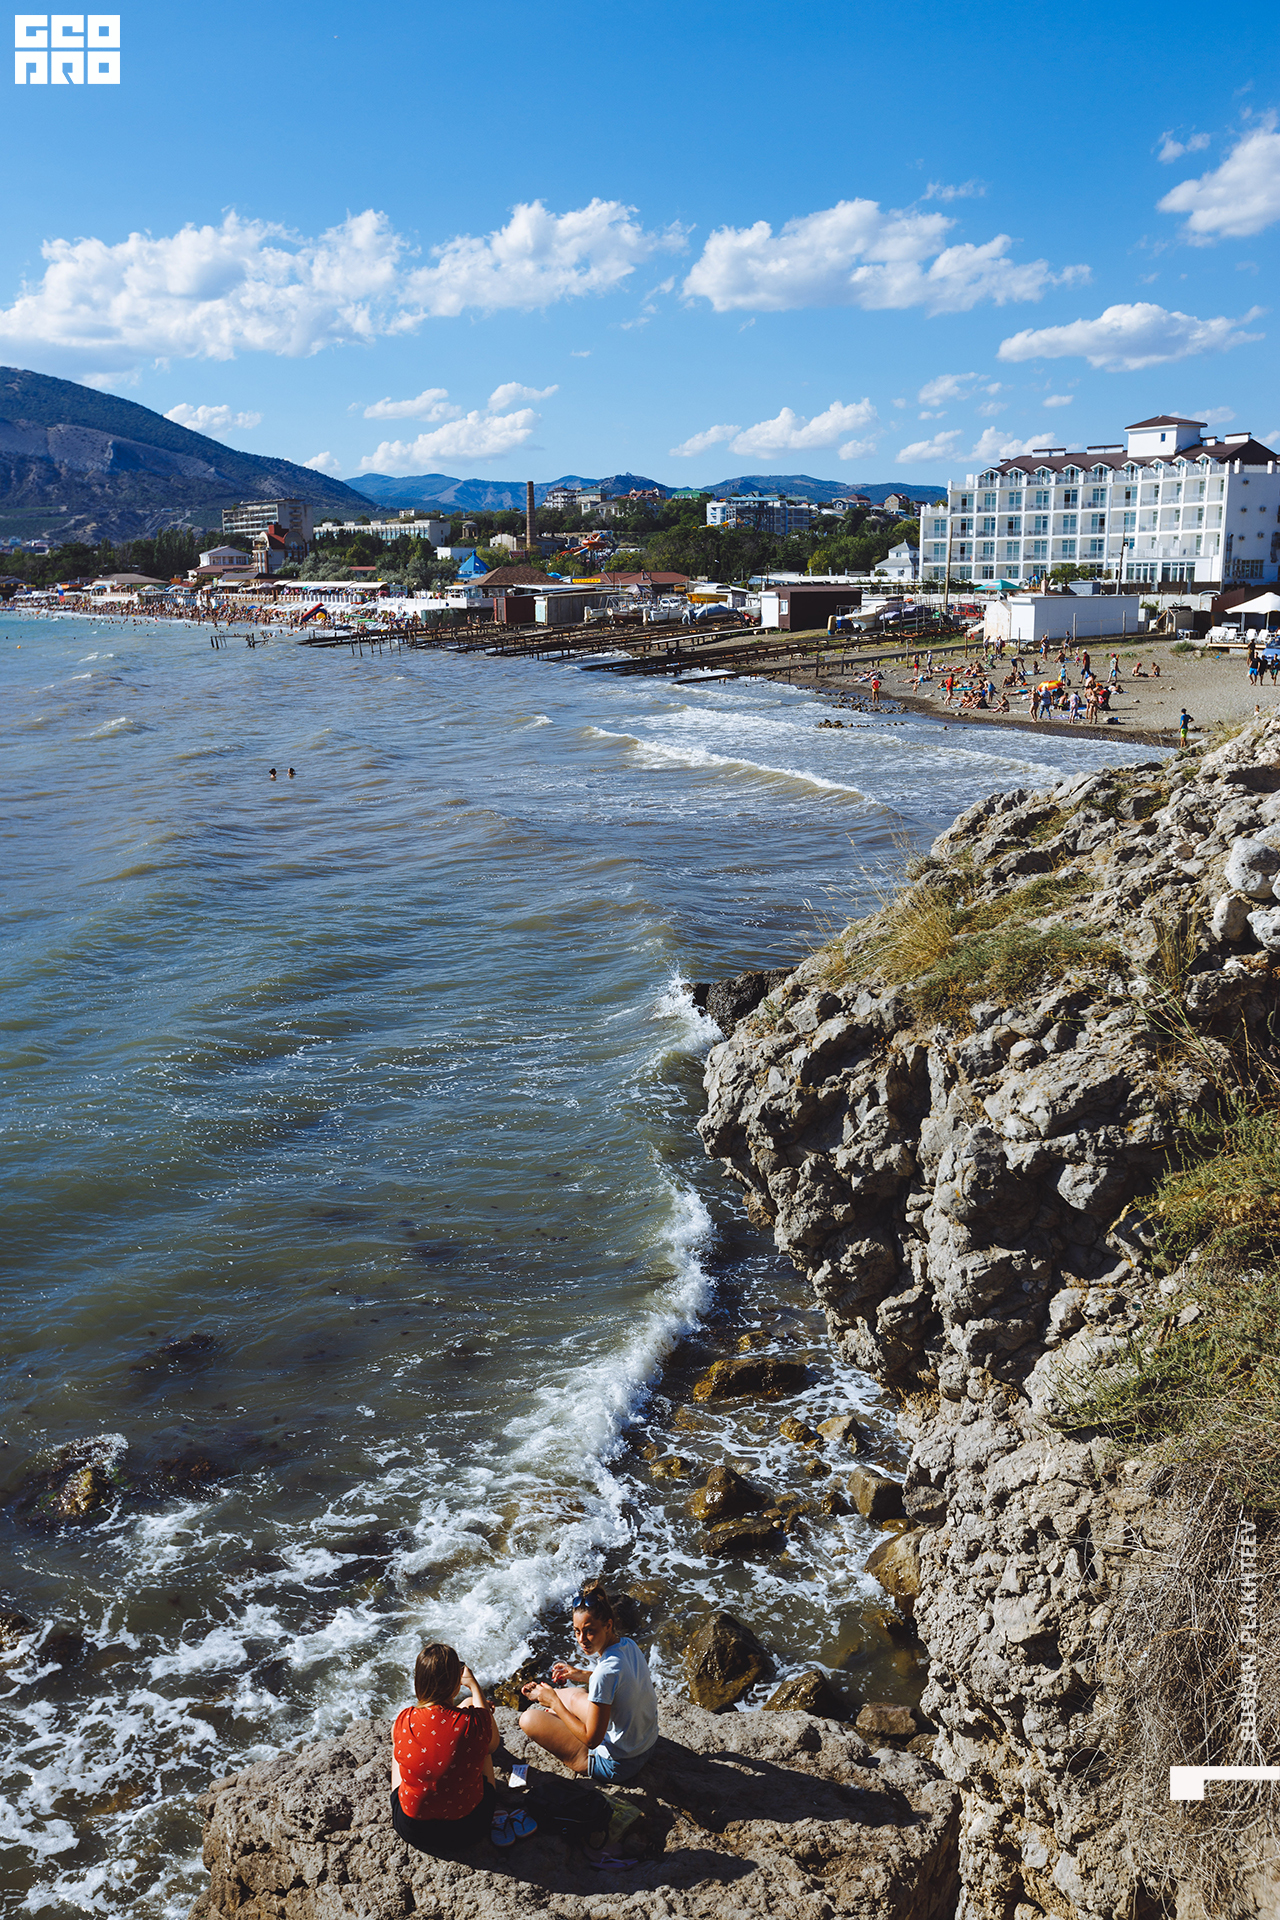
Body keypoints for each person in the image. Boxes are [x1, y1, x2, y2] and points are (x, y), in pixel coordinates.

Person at [391, 1643, 531, 1853]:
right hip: (469, 1829)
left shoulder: (404, 1720)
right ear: (456, 1682)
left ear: (418, 1681)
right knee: (482, 1745)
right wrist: (474, 1686)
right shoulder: (474, 1723)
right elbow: (492, 1746)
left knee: (399, 1744)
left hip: (414, 1830)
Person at [519, 1581, 658, 1785]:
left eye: (589, 1631)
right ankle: (559, 1714)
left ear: (608, 1625)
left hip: (619, 1764)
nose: (581, 1639)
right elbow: (619, 1680)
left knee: (528, 1719)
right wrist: (580, 1674)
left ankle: (566, 1730)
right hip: (647, 1744)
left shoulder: (604, 1674)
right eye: (577, 1631)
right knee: (573, 1695)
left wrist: (554, 1702)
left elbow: (591, 1740)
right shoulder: (628, 1644)